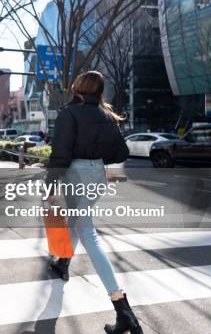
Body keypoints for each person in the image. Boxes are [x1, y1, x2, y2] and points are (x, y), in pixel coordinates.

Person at [45, 71, 142, 334]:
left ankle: (124, 311)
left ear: (78, 88)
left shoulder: (70, 114)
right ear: (99, 91)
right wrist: (97, 154)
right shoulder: (107, 116)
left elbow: (61, 153)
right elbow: (121, 152)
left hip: (75, 173)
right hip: (97, 174)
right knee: (78, 222)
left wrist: (50, 185)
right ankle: (63, 262)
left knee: (86, 231)